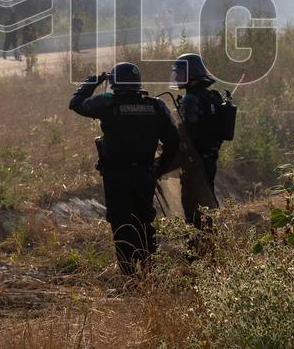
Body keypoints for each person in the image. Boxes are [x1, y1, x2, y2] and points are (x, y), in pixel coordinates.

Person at [68, 63, 180, 276]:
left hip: (116, 176)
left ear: (115, 83)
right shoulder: (156, 106)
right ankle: (149, 273)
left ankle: (129, 276)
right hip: (145, 174)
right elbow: (173, 142)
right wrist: (158, 168)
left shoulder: (107, 103)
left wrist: (92, 81)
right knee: (144, 222)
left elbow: (75, 103)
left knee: (121, 223)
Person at [172, 53, 226, 230]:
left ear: (191, 73)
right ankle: (208, 248)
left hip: (194, 165)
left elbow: (186, 135)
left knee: (194, 211)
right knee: (205, 208)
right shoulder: (212, 97)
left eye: (180, 72)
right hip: (210, 160)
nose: (177, 76)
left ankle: (198, 252)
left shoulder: (191, 99)